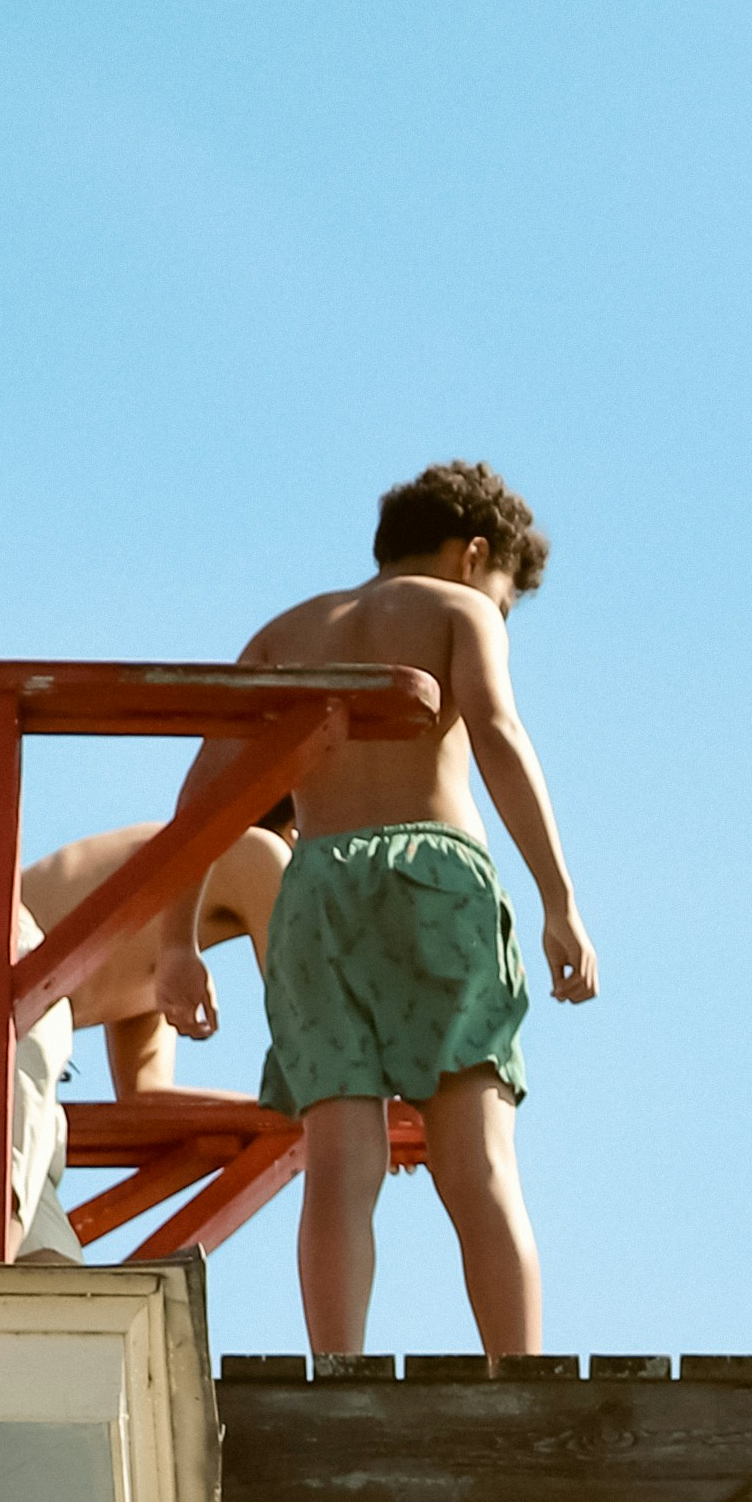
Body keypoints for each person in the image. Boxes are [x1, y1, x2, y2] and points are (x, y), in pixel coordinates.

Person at [230, 460, 597, 1358]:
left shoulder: (284, 634)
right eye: (505, 598)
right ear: (475, 556)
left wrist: (173, 943)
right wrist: (559, 901)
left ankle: (340, 1370)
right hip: (433, 875)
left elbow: (214, 796)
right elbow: (500, 739)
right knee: (476, 1163)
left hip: (311, 887)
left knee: (341, 1168)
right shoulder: (458, 609)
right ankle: (518, 1376)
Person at [0, 805, 290, 1258]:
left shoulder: (154, 937)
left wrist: (265, 1114)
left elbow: (144, 1095)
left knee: (49, 1293)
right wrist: (345, 1112)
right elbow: (310, 1039)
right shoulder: (259, 849)